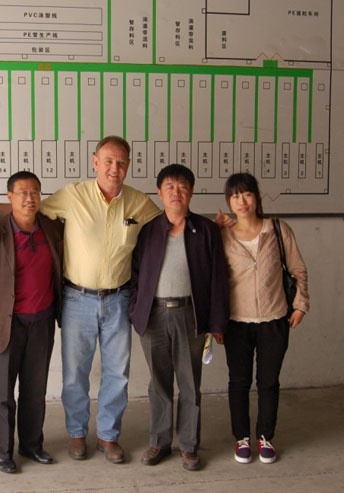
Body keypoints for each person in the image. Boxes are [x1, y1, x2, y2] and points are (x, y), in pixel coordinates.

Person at [0, 136, 160, 463]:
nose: (114, 169)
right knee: (75, 374)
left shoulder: (139, 203)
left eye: (121, 163)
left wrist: (220, 227)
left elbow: (171, 223)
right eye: (108, 161)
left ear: (128, 166)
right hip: (77, 299)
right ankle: (76, 434)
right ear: (95, 162)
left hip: (118, 299)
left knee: (118, 373)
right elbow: (28, 208)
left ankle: (108, 436)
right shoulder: (73, 196)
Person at [129, 164, 229, 471]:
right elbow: (134, 274)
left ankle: (188, 445)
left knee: (189, 383)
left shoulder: (206, 230)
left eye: (183, 186)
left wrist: (217, 323)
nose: (176, 192)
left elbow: (218, 278)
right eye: (170, 187)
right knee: (158, 383)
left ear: (192, 192)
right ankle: (159, 442)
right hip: (154, 316)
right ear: (159, 193)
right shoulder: (148, 231)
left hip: (190, 315)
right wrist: (136, 310)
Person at [0, 171, 64, 474]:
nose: (29, 198)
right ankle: (2, 452)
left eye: (35, 192)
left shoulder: (52, 228)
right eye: (23, 192)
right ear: (9, 196)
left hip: (42, 322)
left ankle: (32, 445)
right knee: (2, 392)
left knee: (35, 390)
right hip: (5, 325)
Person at [220, 172, 309, 464]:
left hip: (275, 319)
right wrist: (216, 323)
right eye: (235, 196)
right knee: (239, 381)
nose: (241, 201)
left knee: (269, 382)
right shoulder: (223, 235)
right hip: (236, 322)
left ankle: (265, 437)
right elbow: (213, 280)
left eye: (246, 194)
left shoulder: (278, 229)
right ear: (228, 201)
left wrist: (300, 305)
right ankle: (242, 438)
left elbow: (297, 269)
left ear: (257, 197)